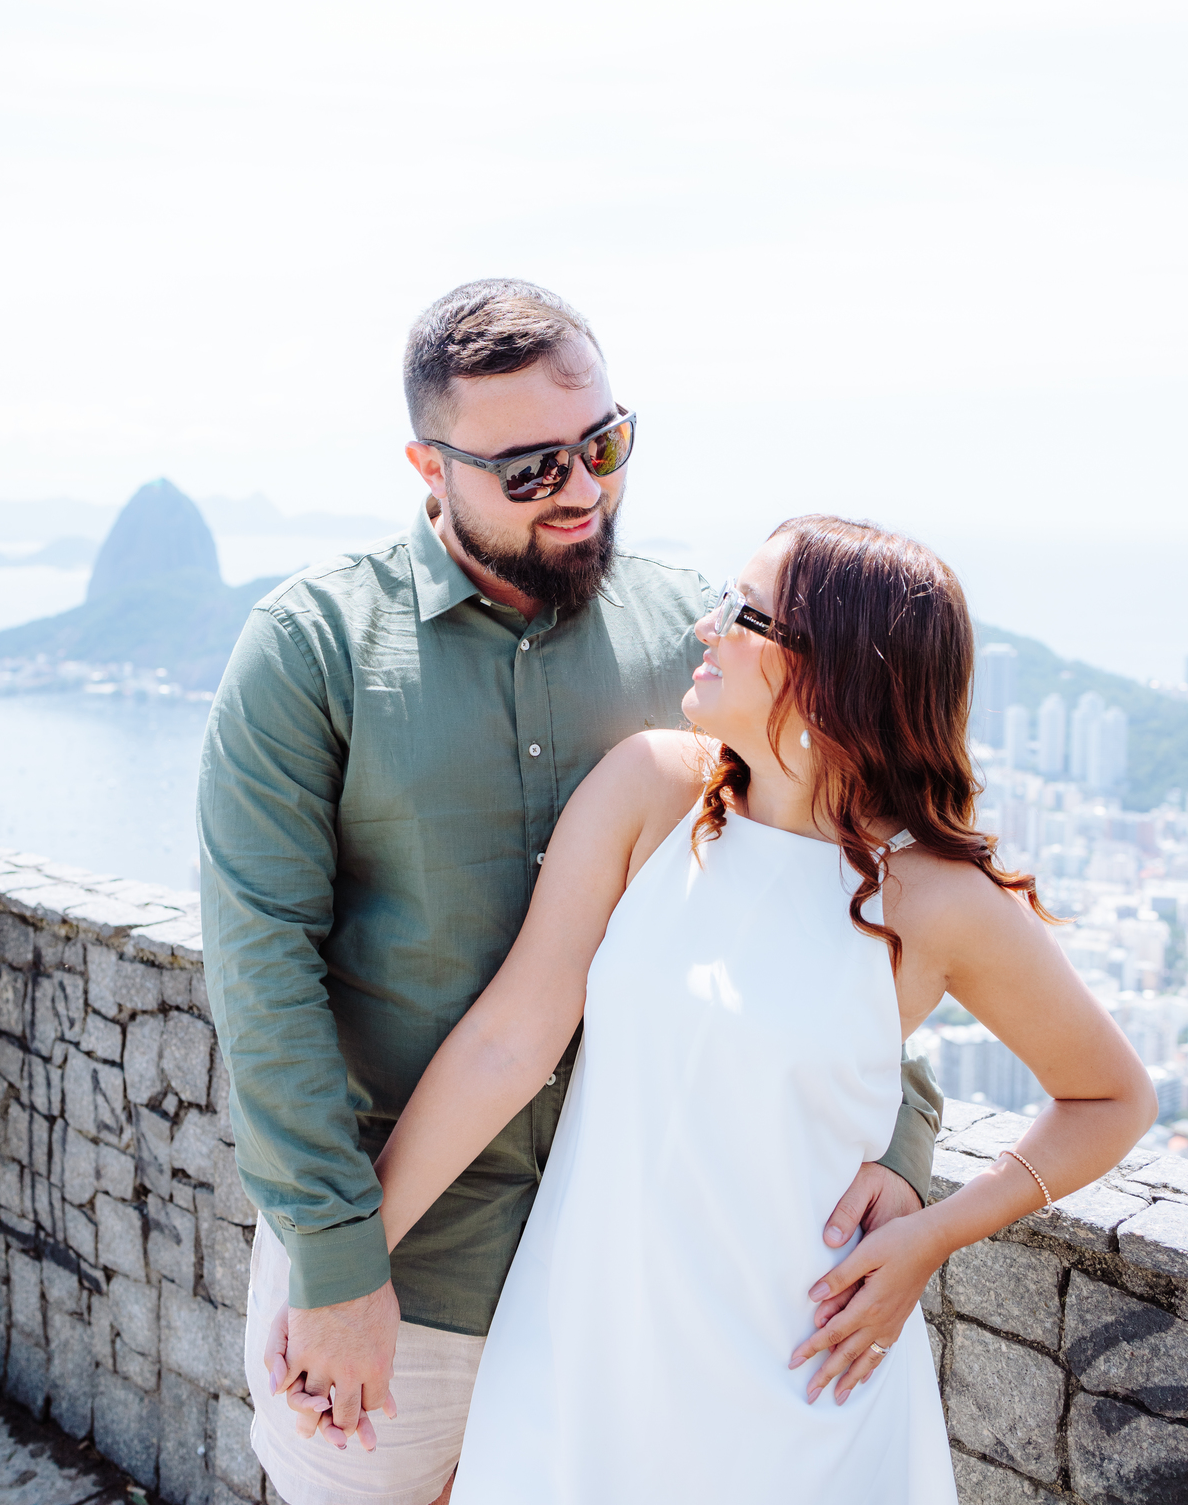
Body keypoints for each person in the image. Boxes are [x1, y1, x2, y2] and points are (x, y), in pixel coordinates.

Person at [199, 281, 942, 1505]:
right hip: (409, 1268)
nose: (585, 489)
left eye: (604, 444)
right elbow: (261, 970)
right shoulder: (311, 651)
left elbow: (830, 885)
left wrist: (907, 1147)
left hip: (646, 1276)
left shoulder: (696, 646)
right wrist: (334, 1270)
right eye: (533, 467)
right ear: (426, 466)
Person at [357, 515, 1157, 1503]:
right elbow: (505, 1041)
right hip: (586, 1354)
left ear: (831, 673)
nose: (704, 627)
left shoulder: (939, 900)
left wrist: (934, 1232)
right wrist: (349, 1259)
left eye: (744, 613)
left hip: (800, 1389)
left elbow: (1112, 1098)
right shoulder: (651, 791)